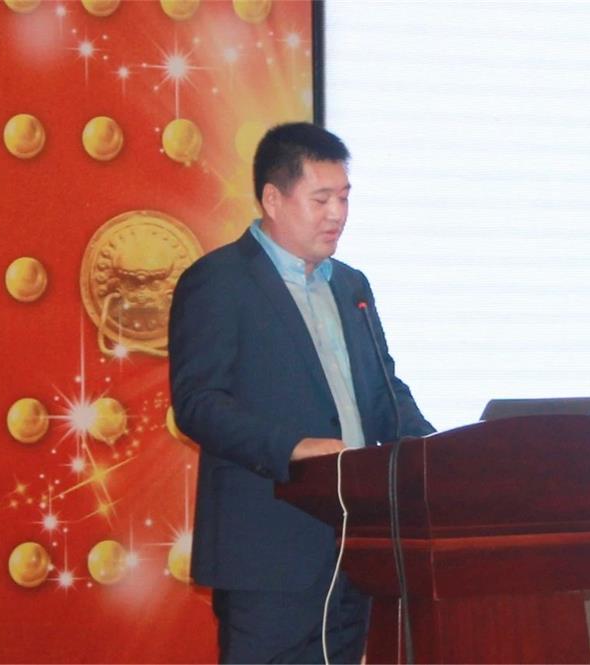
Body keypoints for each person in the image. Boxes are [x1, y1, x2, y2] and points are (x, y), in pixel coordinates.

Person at [169, 122, 434, 664]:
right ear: (273, 199)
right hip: (269, 552)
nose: (337, 214)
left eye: (344, 198)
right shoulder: (219, 281)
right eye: (321, 199)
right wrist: (293, 446)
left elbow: (383, 390)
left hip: (356, 545)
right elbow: (199, 403)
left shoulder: (351, 284)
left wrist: (436, 448)